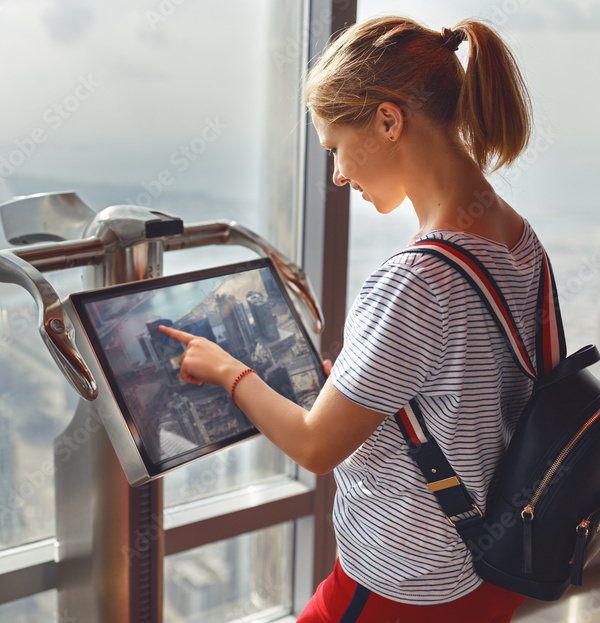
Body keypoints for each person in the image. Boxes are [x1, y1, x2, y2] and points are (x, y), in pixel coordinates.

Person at [160, 16, 544, 622]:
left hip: (410, 577)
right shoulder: (520, 237)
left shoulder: (415, 279)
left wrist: (228, 371)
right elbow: (478, 388)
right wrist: (372, 385)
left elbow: (315, 447)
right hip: (497, 563)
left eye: (336, 148)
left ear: (389, 121)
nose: (338, 175)